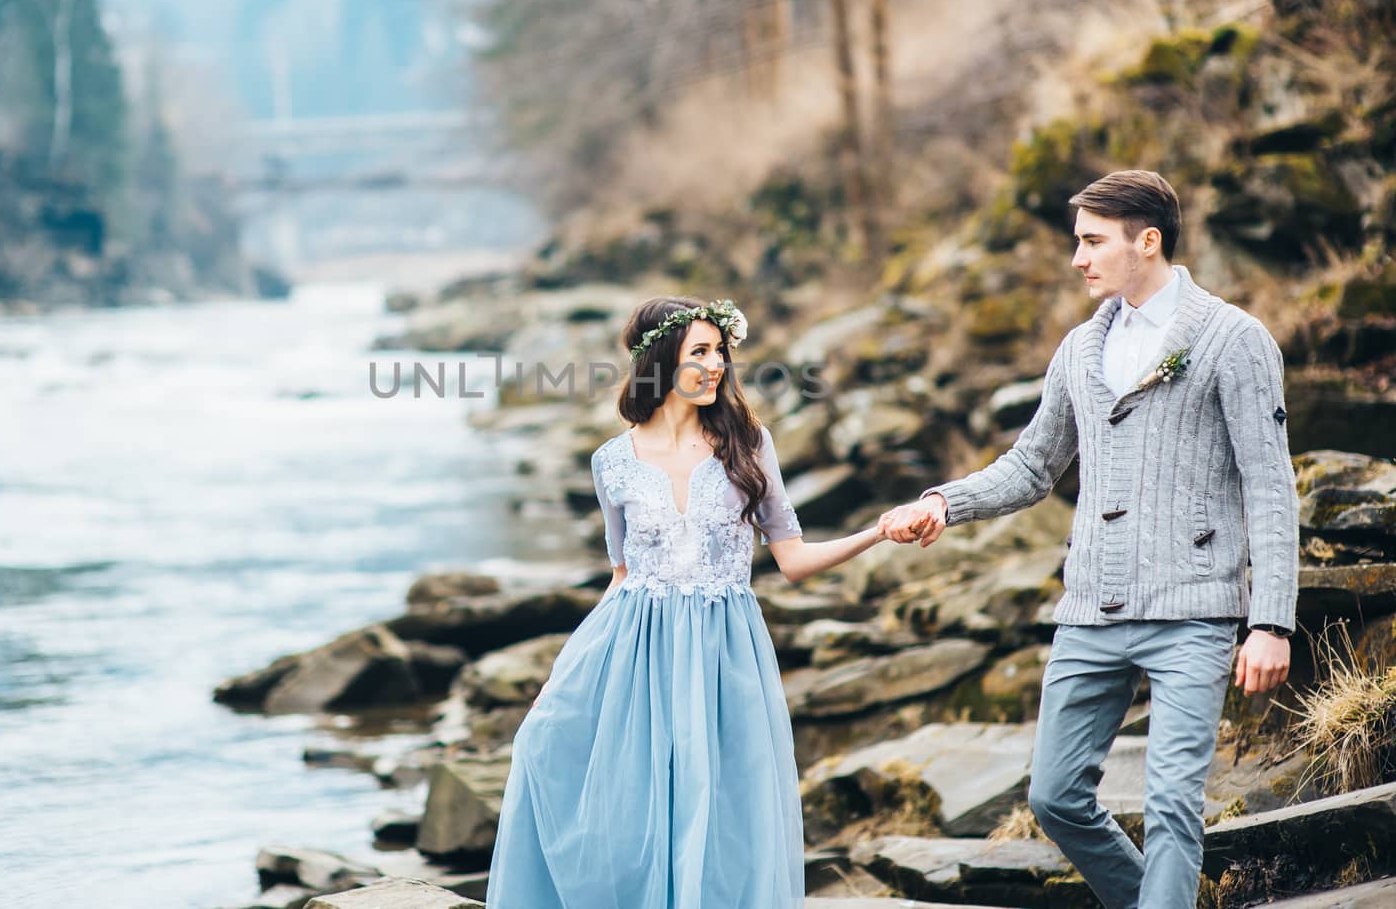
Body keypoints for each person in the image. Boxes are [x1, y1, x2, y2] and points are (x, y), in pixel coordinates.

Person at [878, 170, 1299, 909]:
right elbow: (1033, 465)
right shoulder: (1079, 347)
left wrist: (1269, 621)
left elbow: (1270, 482)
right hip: (1090, 612)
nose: (1078, 258)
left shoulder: (1235, 339)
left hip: (1193, 611)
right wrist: (948, 500)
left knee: (1171, 805)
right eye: (1079, 241)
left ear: (1148, 241)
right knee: (1054, 797)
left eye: (1092, 241)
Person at [487, 295, 886, 909]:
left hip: (726, 651)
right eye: (700, 352)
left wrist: (878, 531)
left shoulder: (749, 443)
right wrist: (563, 670)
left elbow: (794, 559)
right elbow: (621, 576)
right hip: (634, 651)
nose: (717, 365)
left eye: (720, 351)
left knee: (723, 804)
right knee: (563, 755)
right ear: (661, 361)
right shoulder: (611, 462)